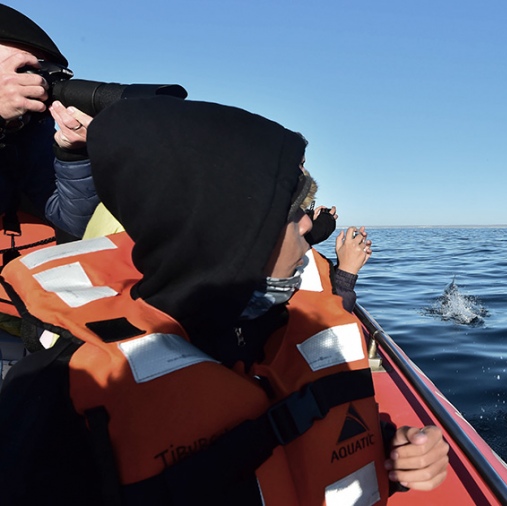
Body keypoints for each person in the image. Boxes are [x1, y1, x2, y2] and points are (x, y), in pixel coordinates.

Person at [0, 96, 448, 505]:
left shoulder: (271, 330)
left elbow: (305, 443)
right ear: (232, 233)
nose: (307, 233)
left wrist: (390, 450)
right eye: (293, 219)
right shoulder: (54, 397)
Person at [0, 3, 99, 239]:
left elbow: (75, 228)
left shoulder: (33, 133)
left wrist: (73, 155)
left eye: (36, 71)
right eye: (17, 69)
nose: (27, 85)